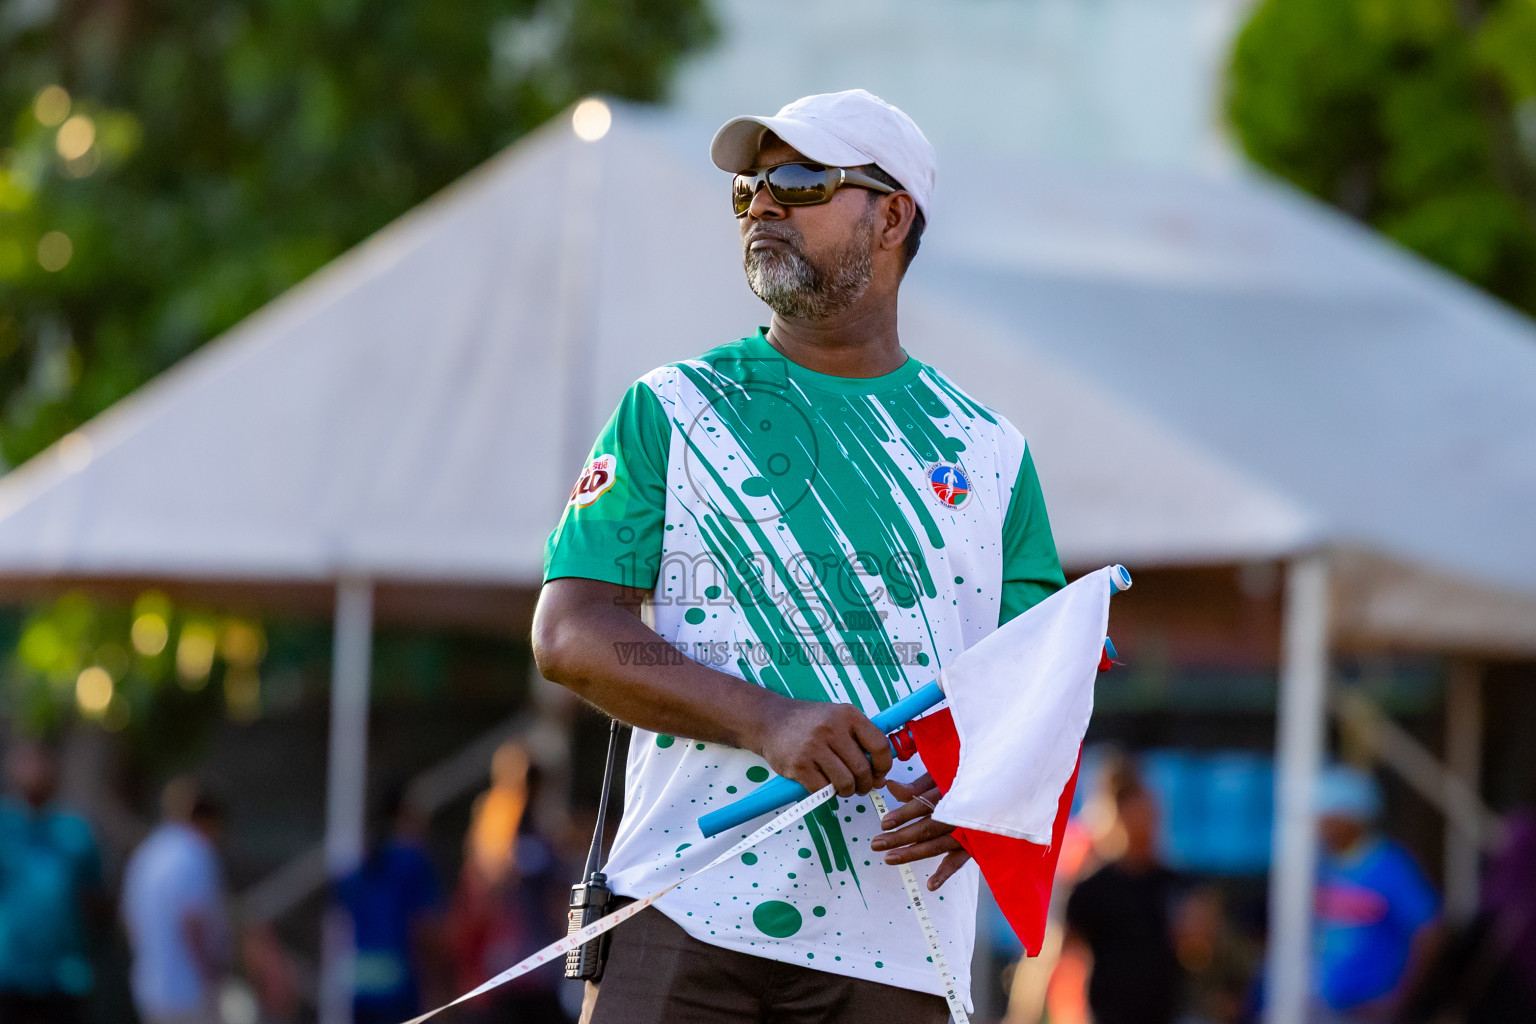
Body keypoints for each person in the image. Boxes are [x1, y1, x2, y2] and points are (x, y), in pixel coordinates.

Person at [532, 88, 1065, 1023]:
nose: (764, 204)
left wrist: (981, 789)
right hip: (681, 912)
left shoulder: (993, 455)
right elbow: (571, 632)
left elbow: (1041, 684)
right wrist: (767, 722)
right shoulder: (672, 408)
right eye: (749, 189)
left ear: (893, 214)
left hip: (902, 945)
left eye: (801, 180)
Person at [449, 743, 569, 1024]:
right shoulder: (493, 826)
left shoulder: (544, 834)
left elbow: (556, 897)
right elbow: (480, 895)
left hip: (539, 965)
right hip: (500, 968)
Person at [1310, 764, 1439, 1022]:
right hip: (1324, 1005)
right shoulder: (1320, 865)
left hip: (1373, 1011)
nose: (1322, 825)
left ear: (1354, 816)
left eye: (1330, 816)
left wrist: (1402, 998)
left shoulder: (1391, 866)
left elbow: (1429, 934)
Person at [1063, 765, 1184, 1024]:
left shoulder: (1175, 887)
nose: (1148, 823)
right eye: (1139, 813)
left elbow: (1198, 952)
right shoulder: (1092, 889)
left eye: (1152, 814)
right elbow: (1062, 952)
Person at [0, 740, 103, 1024]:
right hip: (10, 971)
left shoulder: (75, 830)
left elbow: (95, 894)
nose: (35, 773)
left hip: (64, 973)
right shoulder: (4, 826)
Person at [121, 778, 231, 1024]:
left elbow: (130, 923)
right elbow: (193, 923)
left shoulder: (148, 852)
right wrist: (212, 978)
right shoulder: (194, 853)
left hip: (150, 988)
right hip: (189, 991)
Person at [333, 785, 446, 1024]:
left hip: (357, 984)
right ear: (404, 812)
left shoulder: (356, 864)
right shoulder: (412, 859)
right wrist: (438, 988)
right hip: (398, 987)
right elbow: (426, 929)